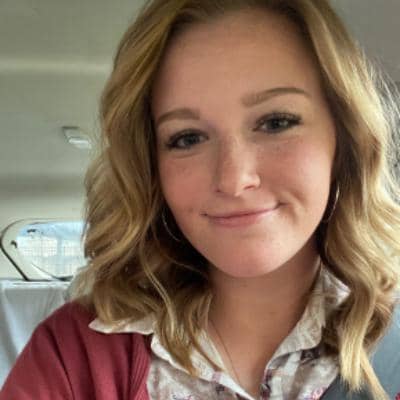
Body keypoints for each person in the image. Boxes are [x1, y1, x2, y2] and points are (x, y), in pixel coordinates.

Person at [1, 0, 400, 399]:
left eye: (276, 122)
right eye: (187, 138)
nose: (234, 179)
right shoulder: (70, 358)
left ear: (345, 137)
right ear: (151, 166)